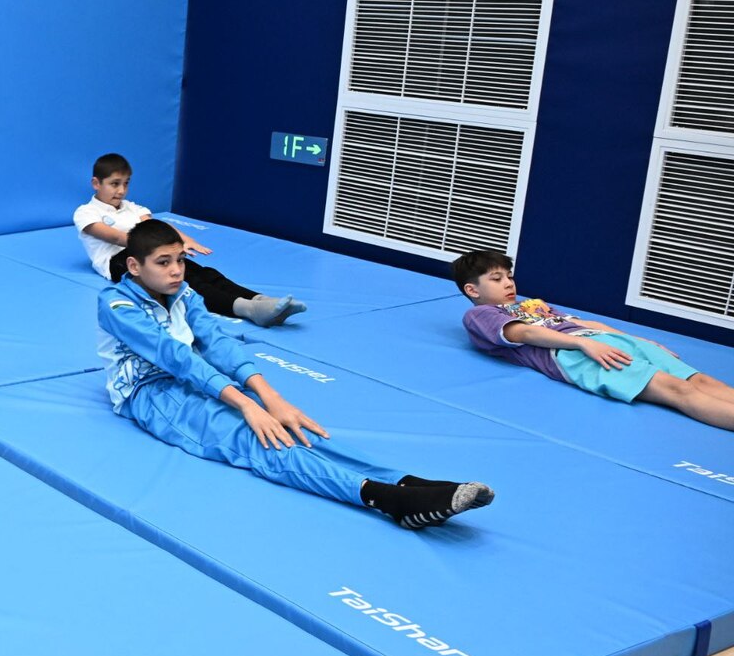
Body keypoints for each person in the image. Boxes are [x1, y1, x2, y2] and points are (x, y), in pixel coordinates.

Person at [98, 220, 494, 529]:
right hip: (150, 392)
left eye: (180, 260)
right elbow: (176, 358)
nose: (176, 271)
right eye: (163, 263)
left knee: (292, 427)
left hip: (194, 377)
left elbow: (216, 343)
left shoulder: (184, 293)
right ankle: (381, 497)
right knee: (254, 437)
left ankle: (401, 480)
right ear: (134, 266)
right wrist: (246, 406)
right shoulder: (117, 304)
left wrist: (269, 397)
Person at [453, 249, 734, 429]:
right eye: (496, 279)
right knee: (678, 391)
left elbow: (585, 323)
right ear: (472, 290)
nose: (508, 283)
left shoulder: (532, 305)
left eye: (509, 276)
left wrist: (639, 341)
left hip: (601, 341)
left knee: (703, 382)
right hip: (575, 354)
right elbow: (524, 333)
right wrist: (583, 343)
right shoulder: (480, 315)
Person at [76, 152, 304, 327]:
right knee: (185, 283)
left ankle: (261, 299)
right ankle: (248, 309)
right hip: (122, 260)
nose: (121, 190)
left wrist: (182, 241)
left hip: (153, 250)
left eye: (126, 183)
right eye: (115, 184)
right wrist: (166, 245)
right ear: (96, 183)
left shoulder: (133, 208)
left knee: (204, 273)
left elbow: (156, 227)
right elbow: (119, 238)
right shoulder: (86, 213)